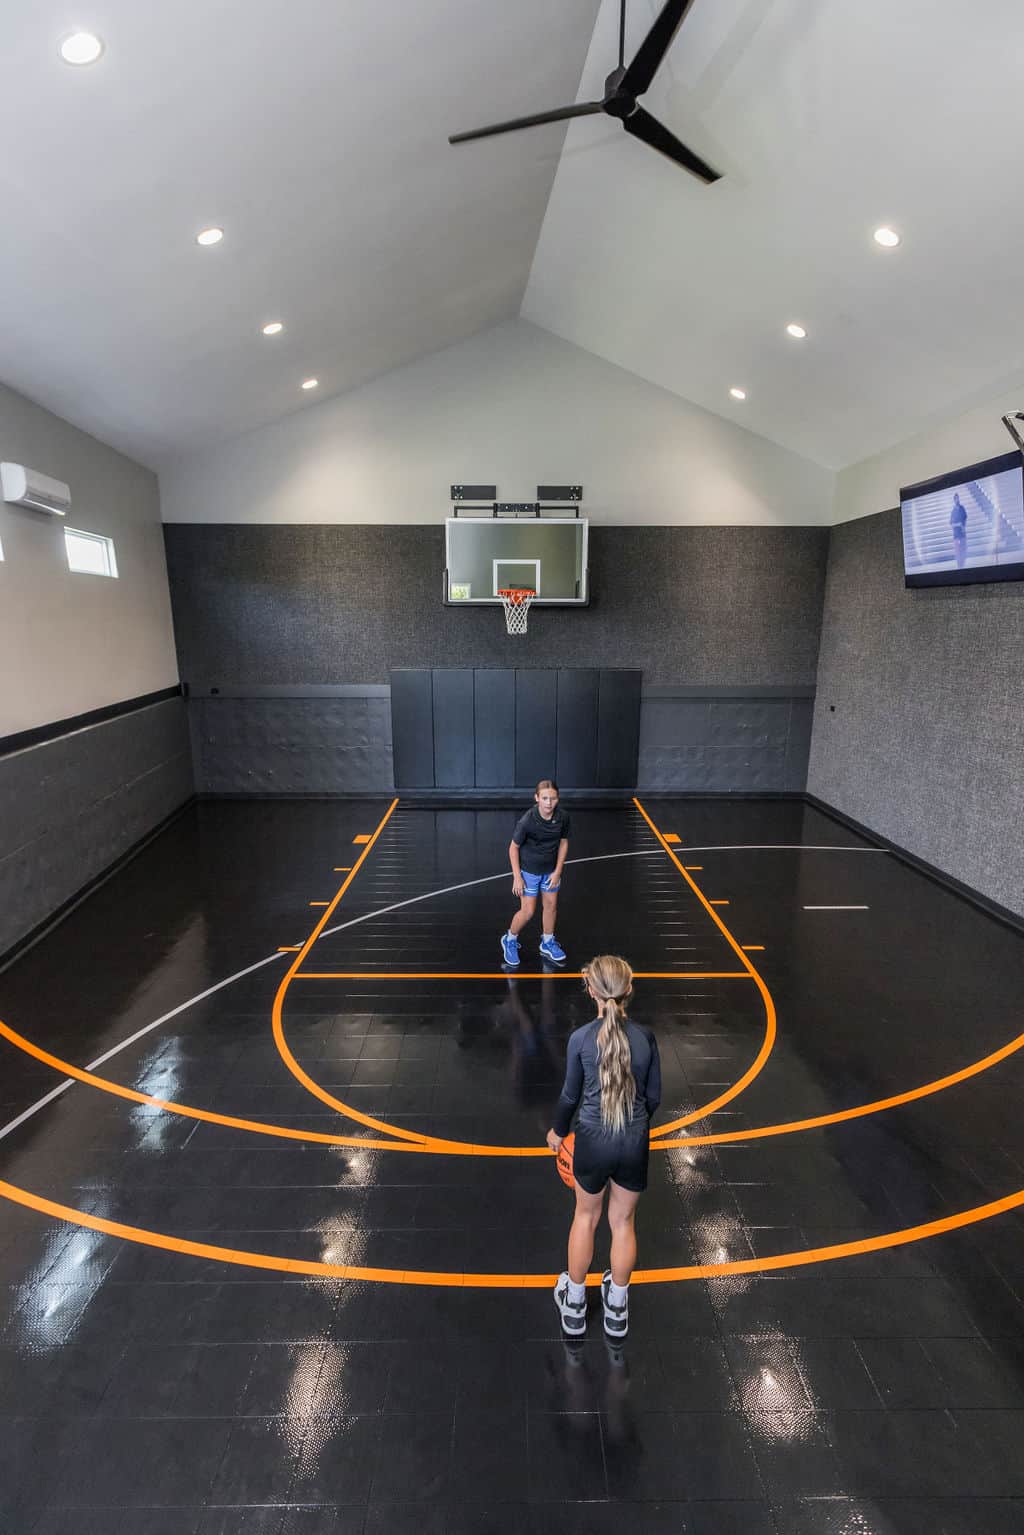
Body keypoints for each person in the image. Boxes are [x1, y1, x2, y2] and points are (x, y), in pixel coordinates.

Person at [546, 955, 661, 1338]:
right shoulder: (644, 1038)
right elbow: (654, 1097)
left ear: (590, 992)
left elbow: (568, 1096)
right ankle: (616, 1310)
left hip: (592, 1141)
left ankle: (575, 1305)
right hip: (633, 1140)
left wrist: (558, 1132)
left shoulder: (580, 1039)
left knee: (585, 1218)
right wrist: (635, 1128)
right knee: (623, 1222)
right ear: (629, 990)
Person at [500, 779, 570, 968]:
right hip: (529, 872)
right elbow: (513, 848)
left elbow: (563, 843)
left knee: (551, 907)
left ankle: (547, 942)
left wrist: (557, 871)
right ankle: (509, 939)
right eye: (545, 798)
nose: (549, 803)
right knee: (528, 911)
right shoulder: (527, 821)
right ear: (537, 798)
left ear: (558, 799)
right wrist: (517, 877)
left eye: (553, 798)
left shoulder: (562, 817)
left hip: (550, 872)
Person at [950, 492, 968, 569]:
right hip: (956, 535)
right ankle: (959, 567)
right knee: (957, 552)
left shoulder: (962, 508)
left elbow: (965, 518)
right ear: (954, 500)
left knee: (963, 550)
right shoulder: (953, 511)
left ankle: (962, 566)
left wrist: (963, 526)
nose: (957, 500)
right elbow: (951, 524)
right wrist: (958, 524)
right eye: (955, 498)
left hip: (962, 533)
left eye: (958, 498)